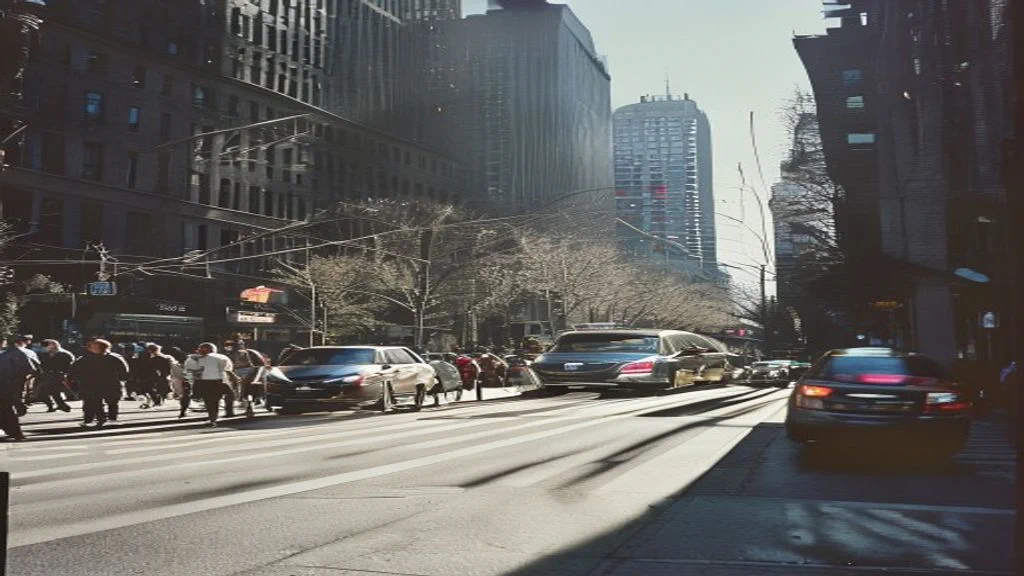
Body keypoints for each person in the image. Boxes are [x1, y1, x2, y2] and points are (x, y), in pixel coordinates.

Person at [70, 339, 129, 429]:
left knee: (112, 402)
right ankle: (100, 419)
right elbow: (75, 369)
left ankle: (112, 419)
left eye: (93, 346)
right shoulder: (85, 358)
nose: (90, 347)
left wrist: (122, 379)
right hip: (91, 383)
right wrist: (74, 378)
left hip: (110, 383)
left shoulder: (114, 357)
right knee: (94, 402)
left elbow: (123, 370)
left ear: (101, 347)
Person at [183, 343, 234, 427]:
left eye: (200, 349)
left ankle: (212, 419)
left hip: (202, 382)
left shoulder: (192, 359)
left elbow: (189, 372)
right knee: (217, 400)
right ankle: (219, 416)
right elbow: (228, 369)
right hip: (218, 381)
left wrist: (191, 380)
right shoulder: (222, 357)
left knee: (209, 401)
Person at [0, 337, 38, 440]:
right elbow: (31, 370)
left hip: (7, 385)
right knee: (6, 409)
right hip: (11, 385)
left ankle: (14, 432)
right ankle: (14, 432)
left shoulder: (10, 354)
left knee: (5, 409)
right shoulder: (17, 353)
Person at [132, 343, 173, 408]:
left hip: (150, 375)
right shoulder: (162, 357)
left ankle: (155, 400)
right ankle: (156, 400)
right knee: (154, 389)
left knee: (149, 388)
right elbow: (166, 369)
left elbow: (141, 366)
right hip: (156, 376)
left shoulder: (147, 356)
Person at [38, 339, 73, 412]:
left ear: (53, 345)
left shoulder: (63, 354)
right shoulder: (48, 354)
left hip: (59, 375)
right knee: (53, 392)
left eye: (46, 346)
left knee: (44, 391)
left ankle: (59, 405)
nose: (45, 348)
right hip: (50, 375)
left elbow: (67, 366)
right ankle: (61, 405)